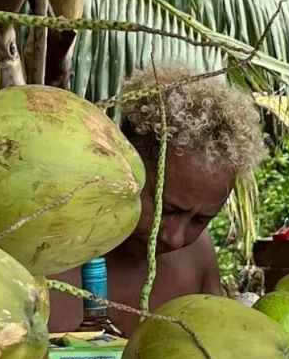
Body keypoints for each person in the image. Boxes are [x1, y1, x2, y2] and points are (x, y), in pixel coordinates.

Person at [46, 64, 265, 333]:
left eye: (200, 220)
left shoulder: (197, 257)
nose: (175, 238)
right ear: (125, 162)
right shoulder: (46, 247)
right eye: (169, 209)